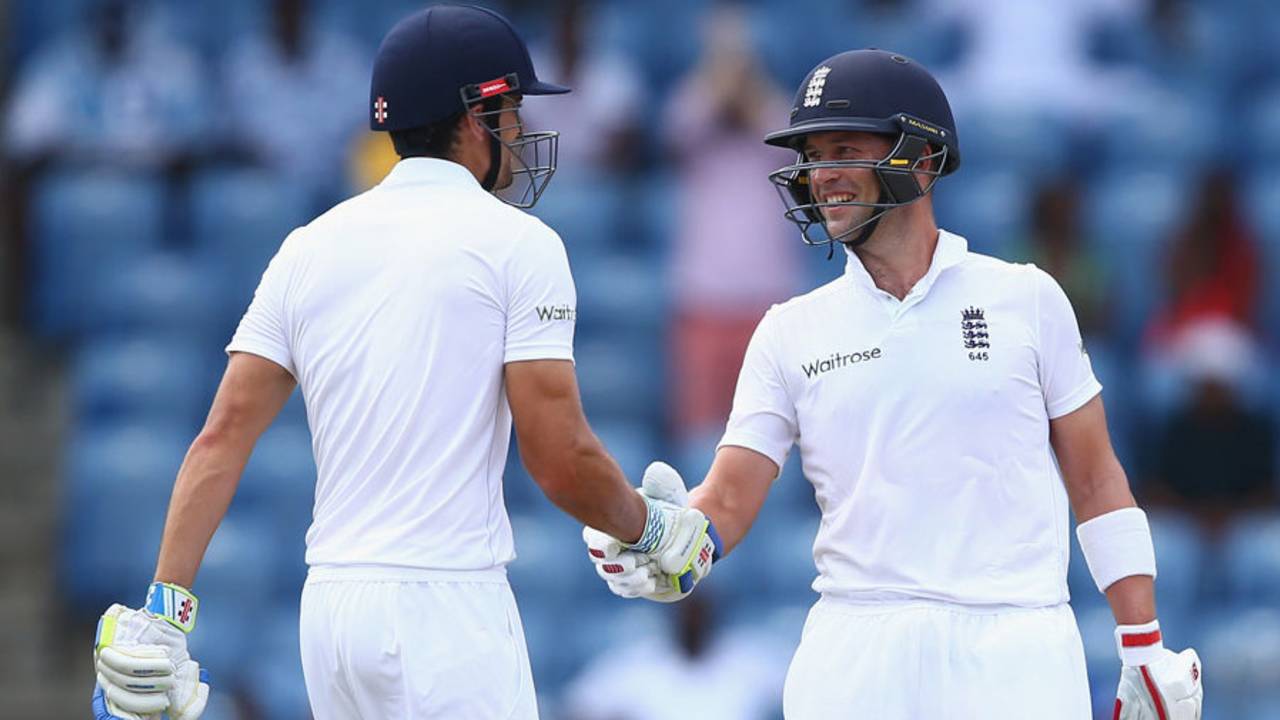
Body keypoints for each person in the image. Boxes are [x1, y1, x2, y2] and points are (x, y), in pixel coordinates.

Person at [87, 6, 715, 720]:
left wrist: (165, 612)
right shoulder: (520, 243)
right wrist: (652, 530)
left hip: (330, 611)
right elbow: (560, 458)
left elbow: (219, 439)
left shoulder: (308, 245)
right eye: (512, 109)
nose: (523, 131)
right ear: (476, 116)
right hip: (447, 607)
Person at [584, 50, 1203, 719]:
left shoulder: (1026, 298)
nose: (822, 176)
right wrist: (674, 541)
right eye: (813, 156)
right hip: (856, 648)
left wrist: (1142, 645)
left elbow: (1096, 478)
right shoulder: (792, 330)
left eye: (844, 149)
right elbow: (731, 491)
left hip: (1015, 643)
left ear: (923, 159)